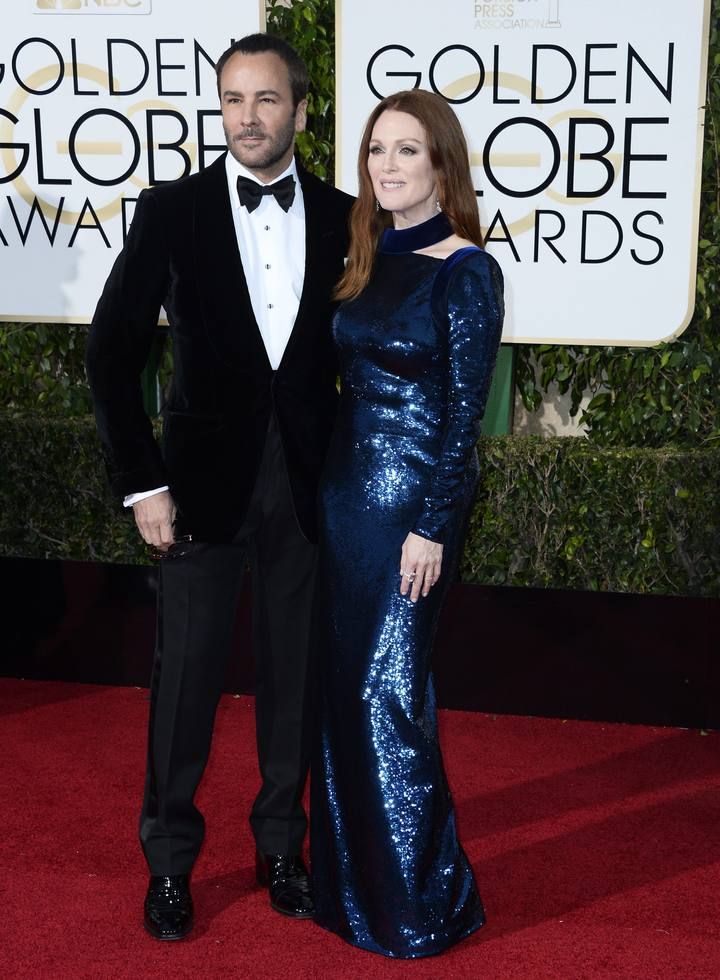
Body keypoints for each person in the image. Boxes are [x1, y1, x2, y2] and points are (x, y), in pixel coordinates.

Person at [86, 33, 353, 941]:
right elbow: (111, 353)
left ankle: (283, 846)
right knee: (185, 682)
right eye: (233, 99)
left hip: (309, 489)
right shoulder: (172, 211)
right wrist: (142, 482)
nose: (247, 116)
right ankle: (169, 864)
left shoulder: (347, 214)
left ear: (301, 110)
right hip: (196, 488)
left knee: (294, 677)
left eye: (266, 99)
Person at [310, 89, 504, 958]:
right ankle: (350, 894)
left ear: (442, 166)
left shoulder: (467, 270)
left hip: (413, 516)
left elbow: (466, 418)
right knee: (343, 694)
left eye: (408, 152)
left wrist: (432, 525)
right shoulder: (365, 253)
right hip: (348, 503)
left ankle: (420, 904)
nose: (388, 166)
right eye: (378, 151)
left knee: (388, 698)